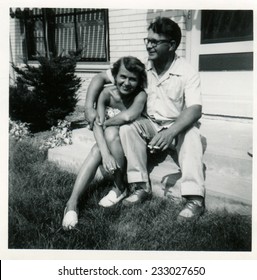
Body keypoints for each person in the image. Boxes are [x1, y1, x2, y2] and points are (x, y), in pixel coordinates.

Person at [118, 17, 205, 220]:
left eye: (155, 42)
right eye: (147, 40)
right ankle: (140, 186)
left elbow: (195, 109)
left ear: (172, 45)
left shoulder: (187, 71)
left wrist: (171, 131)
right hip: (150, 125)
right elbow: (106, 76)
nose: (149, 45)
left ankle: (195, 199)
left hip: (177, 128)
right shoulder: (142, 67)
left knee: (192, 134)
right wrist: (90, 104)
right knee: (127, 128)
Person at [62, 56, 148, 230]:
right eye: (123, 77)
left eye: (133, 79)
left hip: (132, 142)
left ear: (139, 82)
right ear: (114, 76)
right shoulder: (106, 94)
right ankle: (72, 204)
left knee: (109, 131)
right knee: (97, 151)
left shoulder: (140, 95)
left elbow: (128, 116)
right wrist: (106, 154)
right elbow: (96, 125)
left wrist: (103, 124)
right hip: (111, 143)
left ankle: (120, 186)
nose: (126, 82)